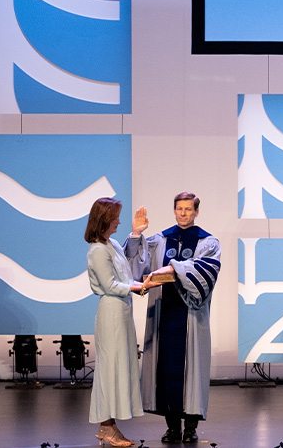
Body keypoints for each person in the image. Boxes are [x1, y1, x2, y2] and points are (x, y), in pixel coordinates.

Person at [127, 192, 221, 444]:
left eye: (188, 209)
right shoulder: (160, 240)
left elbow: (207, 273)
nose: (183, 213)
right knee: (165, 371)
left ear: (196, 212)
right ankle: (172, 427)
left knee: (191, 371)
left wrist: (174, 268)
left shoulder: (208, 242)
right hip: (164, 316)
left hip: (191, 317)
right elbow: (136, 268)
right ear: (174, 210)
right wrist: (136, 235)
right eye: (179, 208)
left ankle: (190, 428)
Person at [84, 197, 145, 447]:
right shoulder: (97, 250)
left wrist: (136, 233)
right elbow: (109, 284)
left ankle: (110, 426)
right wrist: (135, 287)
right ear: (105, 219)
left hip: (121, 312)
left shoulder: (110, 244)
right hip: (111, 313)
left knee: (120, 366)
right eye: (116, 217)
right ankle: (106, 427)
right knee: (110, 368)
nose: (119, 221)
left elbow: (126, 258)